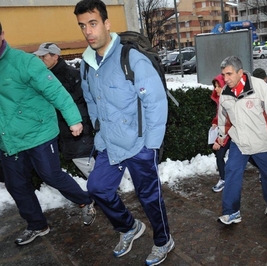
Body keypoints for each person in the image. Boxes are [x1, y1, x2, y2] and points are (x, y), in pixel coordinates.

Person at [73, 1, 174, 264]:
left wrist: (151, 145)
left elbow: (156, 102)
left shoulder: (131, 58)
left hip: (139, 144)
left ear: (106, 24)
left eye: (93, 24)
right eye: (83, 26)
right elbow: (92, 103)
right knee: (97, 188)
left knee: (149, 197)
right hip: (109, 144)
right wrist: (99, 133)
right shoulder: (86, 64)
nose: (88, 32)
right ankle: (129, 227)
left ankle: (163, 241)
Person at [0, 22, 96, 246]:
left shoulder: (24, 62)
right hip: (9, 139)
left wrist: (74, 119)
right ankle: (37, 225)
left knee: (50, 174)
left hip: (39, 131)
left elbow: (54, 90)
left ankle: (85, 200)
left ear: (2, 34)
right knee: (16, 185)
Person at [216, 56, 267, 224]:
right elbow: (223, 118)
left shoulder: (260, 88)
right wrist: (222, 136)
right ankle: (231, 211)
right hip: (239, 142)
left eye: (229, 74)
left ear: (240, 72)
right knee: (232, 172)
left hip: (262, 142)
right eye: (224, 75)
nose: (226, 79)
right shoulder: (225, 94)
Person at [33, 42, 95, 178]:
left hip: (77, 130)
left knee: (85, 162)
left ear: (55, 56)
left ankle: (105, 193)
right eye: (40, 57)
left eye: (44, 57)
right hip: (69, 130)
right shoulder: (49, 75)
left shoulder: (69, 75)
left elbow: (84, 101)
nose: (41, 60)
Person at [210, 74, 230, 192]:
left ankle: (265, 171)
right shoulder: (220, 100)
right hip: (226, 134)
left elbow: (228, 124)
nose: (215, 89)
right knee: (219, 155)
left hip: (232, 135)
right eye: (215, 86)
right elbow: (220, 117)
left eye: (218, 86)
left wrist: (219, 141)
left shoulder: (227, 102)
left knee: (249, 155)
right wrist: (215, 122)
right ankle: (224, 178)